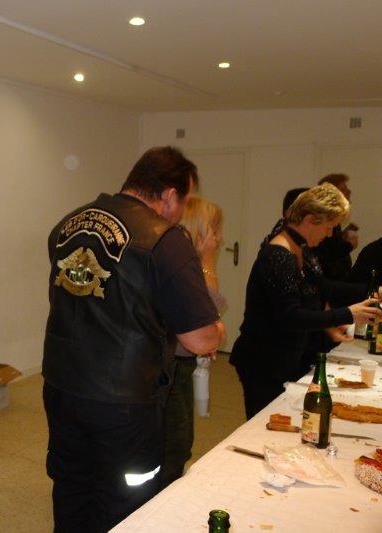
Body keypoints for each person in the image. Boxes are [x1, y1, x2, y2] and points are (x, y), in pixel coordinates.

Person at [42, 146, 225, 532]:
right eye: (184, 201)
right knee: (128, 500)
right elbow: (200, 339)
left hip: (62, 386)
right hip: (123, 402)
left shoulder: (68, 224)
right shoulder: (165, 239)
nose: (181, 211)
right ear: (169, 195)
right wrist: (218, 332)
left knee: (72, 487)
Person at [230, 184, 380, 419]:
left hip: (286, 356)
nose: (329, 235)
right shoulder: (278, 255)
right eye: (328, 227)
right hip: (264, 361)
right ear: (310, 220)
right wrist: (347, 314)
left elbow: (323, 287)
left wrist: (372, 291)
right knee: (266, 424)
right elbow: (291, 316)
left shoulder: (300, 248)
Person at [159, 196, 228, 489]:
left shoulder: (188, 266)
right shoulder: (182, 269)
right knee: (174, 443)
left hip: (183, 363)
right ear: (197, 232)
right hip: (171, 366)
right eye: (214, 230)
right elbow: (209, 316)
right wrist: (209, 263)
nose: (219, 238)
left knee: (181, 440)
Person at [314, 173, 358, 281]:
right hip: (330, 282)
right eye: (343, 189)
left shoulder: (330, 217)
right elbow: (328, 254)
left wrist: (343, 234)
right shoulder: (326, 218)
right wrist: (349, 245)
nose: (349, 192)